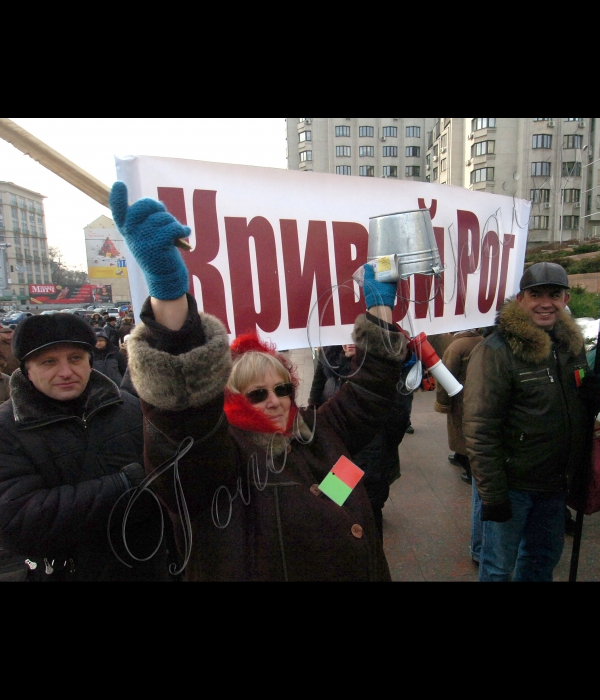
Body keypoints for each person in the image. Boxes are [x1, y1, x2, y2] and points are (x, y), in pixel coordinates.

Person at [109, 181, 410, 581]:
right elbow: (184, 418)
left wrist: (379, 312)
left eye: (283, 388)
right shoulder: (220, 459)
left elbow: (370, 390)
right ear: (230, 397)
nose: (275, 400)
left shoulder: (315, 433)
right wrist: (169, 295)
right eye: (257, 393)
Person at [463, 262, 600, 582]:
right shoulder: (496, 351)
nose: (546, 302)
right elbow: (479, 429)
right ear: (521, 300)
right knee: (498, 567)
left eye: (554, 294)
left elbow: (574, 407)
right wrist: (492, 495)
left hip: (555, 484)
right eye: (536, 294)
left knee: (542, 560)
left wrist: (596, 395)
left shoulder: (570, 346)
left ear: (566, 299)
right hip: (513, 485)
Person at [0, 313, 170, 581]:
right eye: (49, 362)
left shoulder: (128, 407)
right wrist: (125, 484)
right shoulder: (7, 428)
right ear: (26, 369)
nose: (66, 371)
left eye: (75, 358)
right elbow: (19, 521)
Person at [308, 343, 414, 540]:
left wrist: (386, 446)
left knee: (369, 506)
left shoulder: (378, 369)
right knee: (337, 503)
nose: (348, 341)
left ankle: (371, 559)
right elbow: (318, 385)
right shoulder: (329, 358)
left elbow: (399, 415)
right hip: (339, 448)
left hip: (370, 450)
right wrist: (315, 419)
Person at [434, 329, 484, 485]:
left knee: (460, 430)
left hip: (459, 396)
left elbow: (445, 376)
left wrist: (442, 403)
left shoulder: (456, 347)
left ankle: (470, 470)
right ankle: (459, 457)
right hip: (481, 394)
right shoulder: (483, 341)